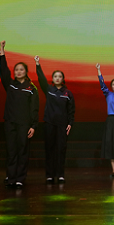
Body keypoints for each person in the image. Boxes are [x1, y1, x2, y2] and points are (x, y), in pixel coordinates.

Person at [0, 41, 39, 188]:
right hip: (10, 123)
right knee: (11, 151)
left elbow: (34, 108)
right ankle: (11, 177)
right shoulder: (10, 85)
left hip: (24, 125)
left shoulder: (31, 88)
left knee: (22, 151)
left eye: (21, 69)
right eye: (16, 70)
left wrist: (33, 126)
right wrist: (2, 51)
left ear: (26, 72)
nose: (18, 72)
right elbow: (3, 71)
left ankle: (20, 178)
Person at [35, 55, 75, 184]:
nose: (57, 78)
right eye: (55, 76)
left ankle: (60, 174)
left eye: (60, 76)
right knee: (50, 149)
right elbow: (41, 79)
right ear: (52, 79)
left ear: (63, 79)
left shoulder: (68, 93)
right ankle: (50, 175)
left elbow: (71, 110)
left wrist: (70, 123)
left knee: (61, 150)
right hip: (49, 124)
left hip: (62, 125)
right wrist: (37, 64)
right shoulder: (49, 90)